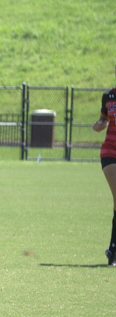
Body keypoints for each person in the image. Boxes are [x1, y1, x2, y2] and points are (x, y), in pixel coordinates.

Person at [93, 64, 116, 266]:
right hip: (110, 151)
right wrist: (99, 125)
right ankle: (114, 251)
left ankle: (112, 249)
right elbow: (103, 120)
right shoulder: (108, 97)